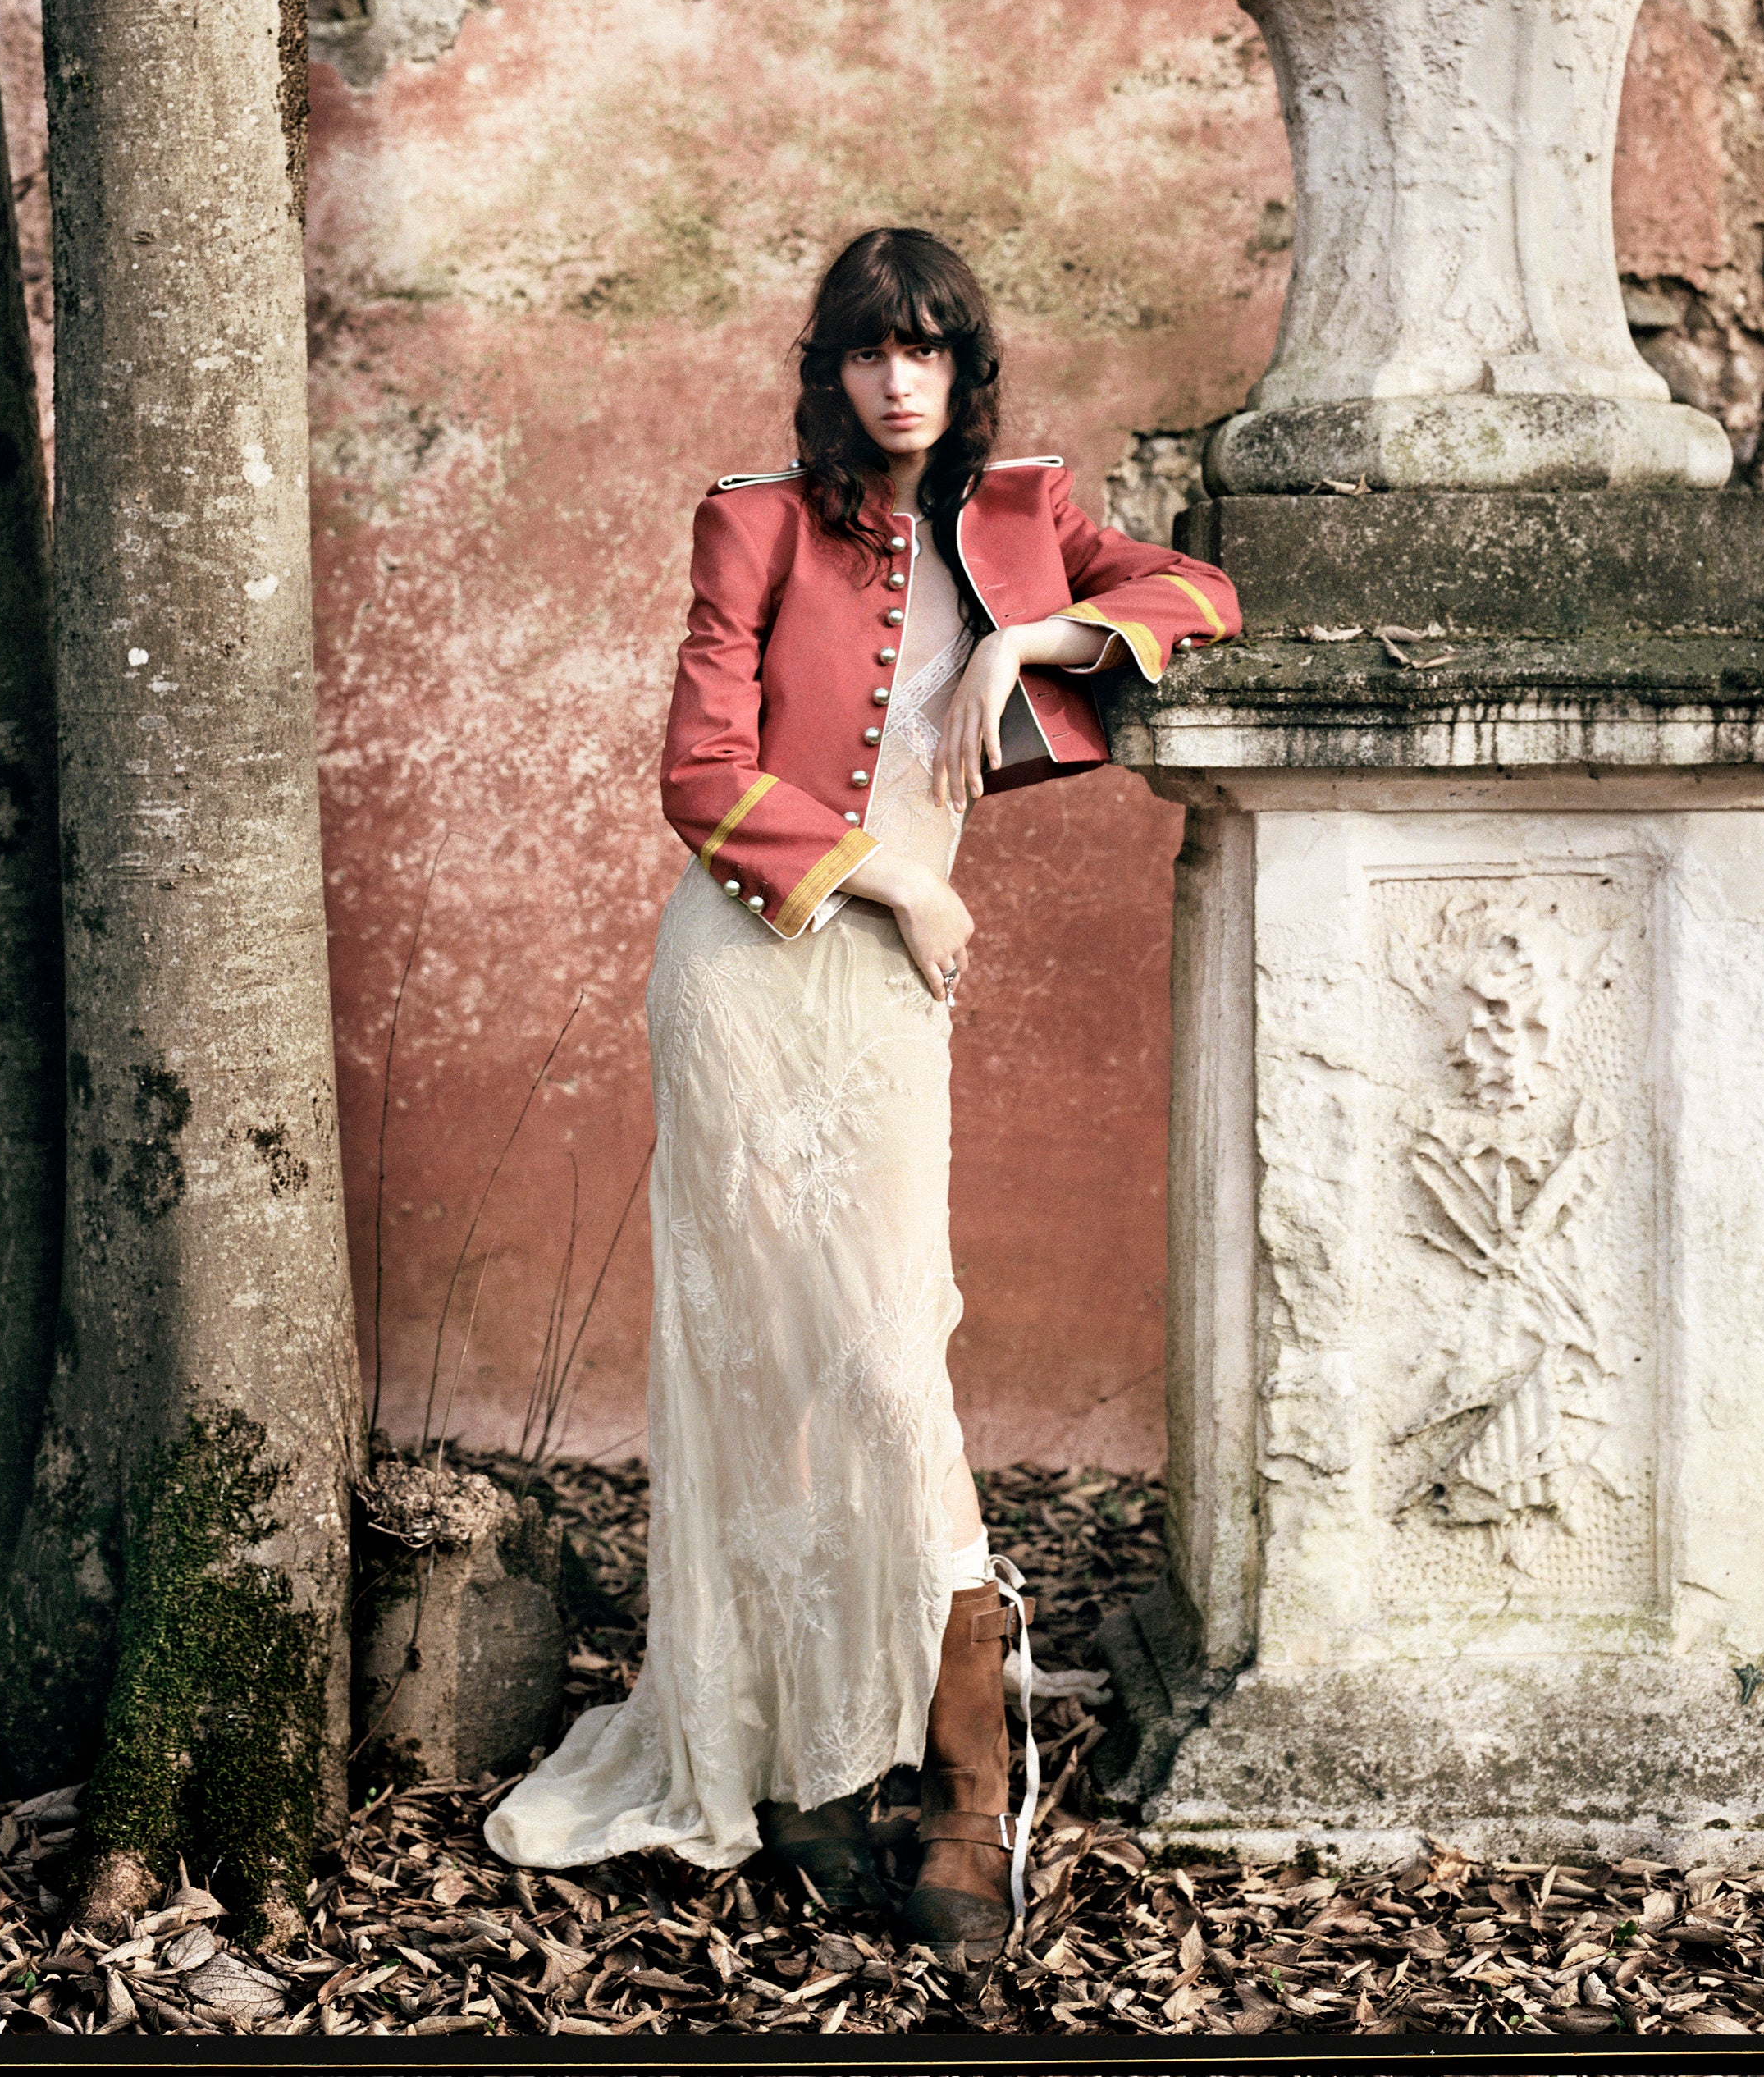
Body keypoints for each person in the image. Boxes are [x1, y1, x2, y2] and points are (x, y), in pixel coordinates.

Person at [484, 227, 1240, 1951]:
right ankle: (803, 1765)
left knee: (889, 1365)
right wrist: (898, 879)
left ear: (967, 369)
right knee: (765, 1376)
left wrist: (1024, 642)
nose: (900, 381)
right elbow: (698, 774)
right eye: (869, 350)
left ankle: (968, 1782)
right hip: (748, 975)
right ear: (828, 370)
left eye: (929, 349)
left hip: (889, 1014)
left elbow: (1199, 596)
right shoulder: (755, 521)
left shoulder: (1027, 517)